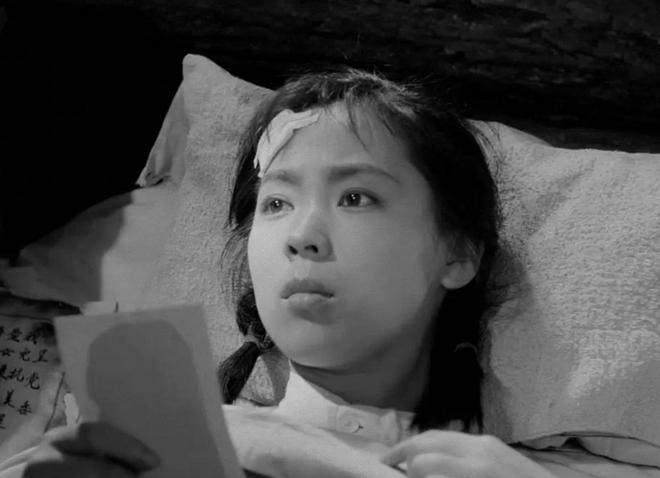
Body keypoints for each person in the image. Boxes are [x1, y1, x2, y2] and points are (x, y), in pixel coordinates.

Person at [19, 68, 561, 477]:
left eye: (356, 197)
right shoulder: (141, 445)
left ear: (458, 254)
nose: (302, 235)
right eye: (276, 204)